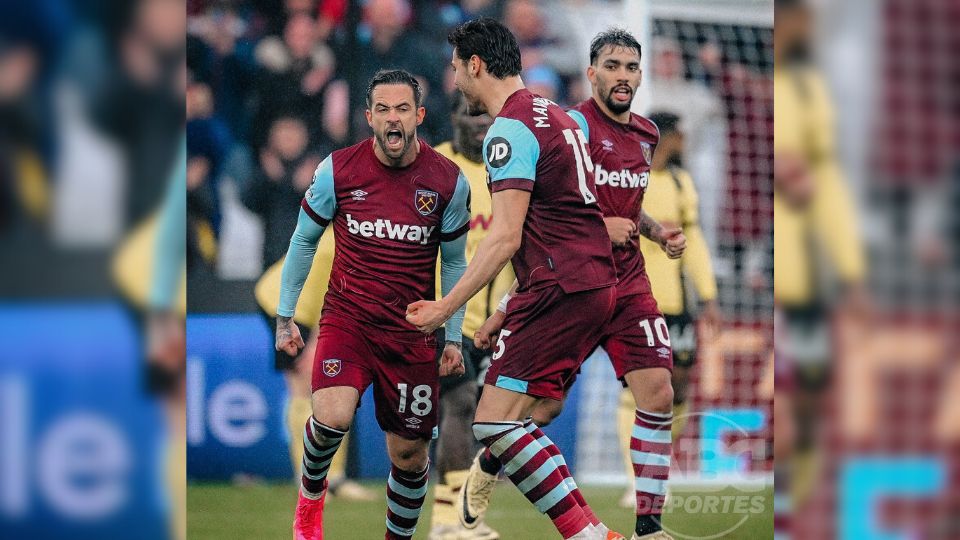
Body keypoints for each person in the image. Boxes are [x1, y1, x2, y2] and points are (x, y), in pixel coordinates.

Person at [453, 29, 689, 540]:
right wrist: (502, 309)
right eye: (612, 65)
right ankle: (493, 461)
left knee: (658, 391)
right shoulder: (569, 123)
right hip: (570, 277)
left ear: (641, 75)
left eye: (631, 67)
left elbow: (624, 199)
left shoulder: (646, 135)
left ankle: (648, 527)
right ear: (591, 73)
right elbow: (557, 209)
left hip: (626, 281)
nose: (622, 75)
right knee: (545, 407)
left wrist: (652, 230)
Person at [406, 18, 623, 540]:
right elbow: (561, 221)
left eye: (457, 68)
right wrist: (503, 311)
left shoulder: (508, 129)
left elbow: (504, 238)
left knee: (493, 423)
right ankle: (591, 531)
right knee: (529, 413)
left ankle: (587, 533)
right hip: (592, 284)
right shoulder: (563, 117)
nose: (456, 80)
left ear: (475, 65)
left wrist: (444, 308)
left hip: (560, 288)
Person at [275, 69, 471, 540]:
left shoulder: (448, 182)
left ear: (419, 115)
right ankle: (309, 503)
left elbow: (455, 263)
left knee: (408, 456)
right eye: (382, 109)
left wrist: (452, 333)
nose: (392, 118)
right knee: (332, 415)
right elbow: (303, 242)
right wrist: (286, 316)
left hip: (412, 333)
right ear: (368, 117)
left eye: (402, 108)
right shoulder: (338, 170)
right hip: (349, 320)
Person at [617, 110, 719, 507]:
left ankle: (657, 461)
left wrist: (707, 295)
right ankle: (635, 479)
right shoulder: (632, 181)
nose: (685, 143)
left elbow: (694, 242)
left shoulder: (680, 182)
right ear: (667, 137)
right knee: (635, 390)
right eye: (680, 136)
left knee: (677, 388)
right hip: (635, 300)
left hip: (677, 303)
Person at [426, 90, 514, 540]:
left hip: (486, 324)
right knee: (457, 408)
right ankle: (452, 522)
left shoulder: (507, 174)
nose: (479, 123)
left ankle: (450, 520)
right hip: (440, 318)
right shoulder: (433, 168)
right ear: (453, 118)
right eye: (470, 114)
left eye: (486, 116)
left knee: (482, 419)